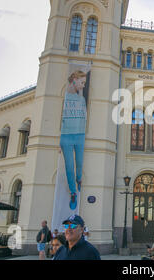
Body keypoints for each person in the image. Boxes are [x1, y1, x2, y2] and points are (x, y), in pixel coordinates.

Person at [60, 70, 88, 210]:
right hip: (65, 136)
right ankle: (73, 192)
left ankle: (79, 180)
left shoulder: (82, 99)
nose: (83, 86)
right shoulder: (63, 96)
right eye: (82, 82)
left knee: (79, 163)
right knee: (69, 166)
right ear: (75, 79)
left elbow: (85, 119)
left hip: (80, 135)